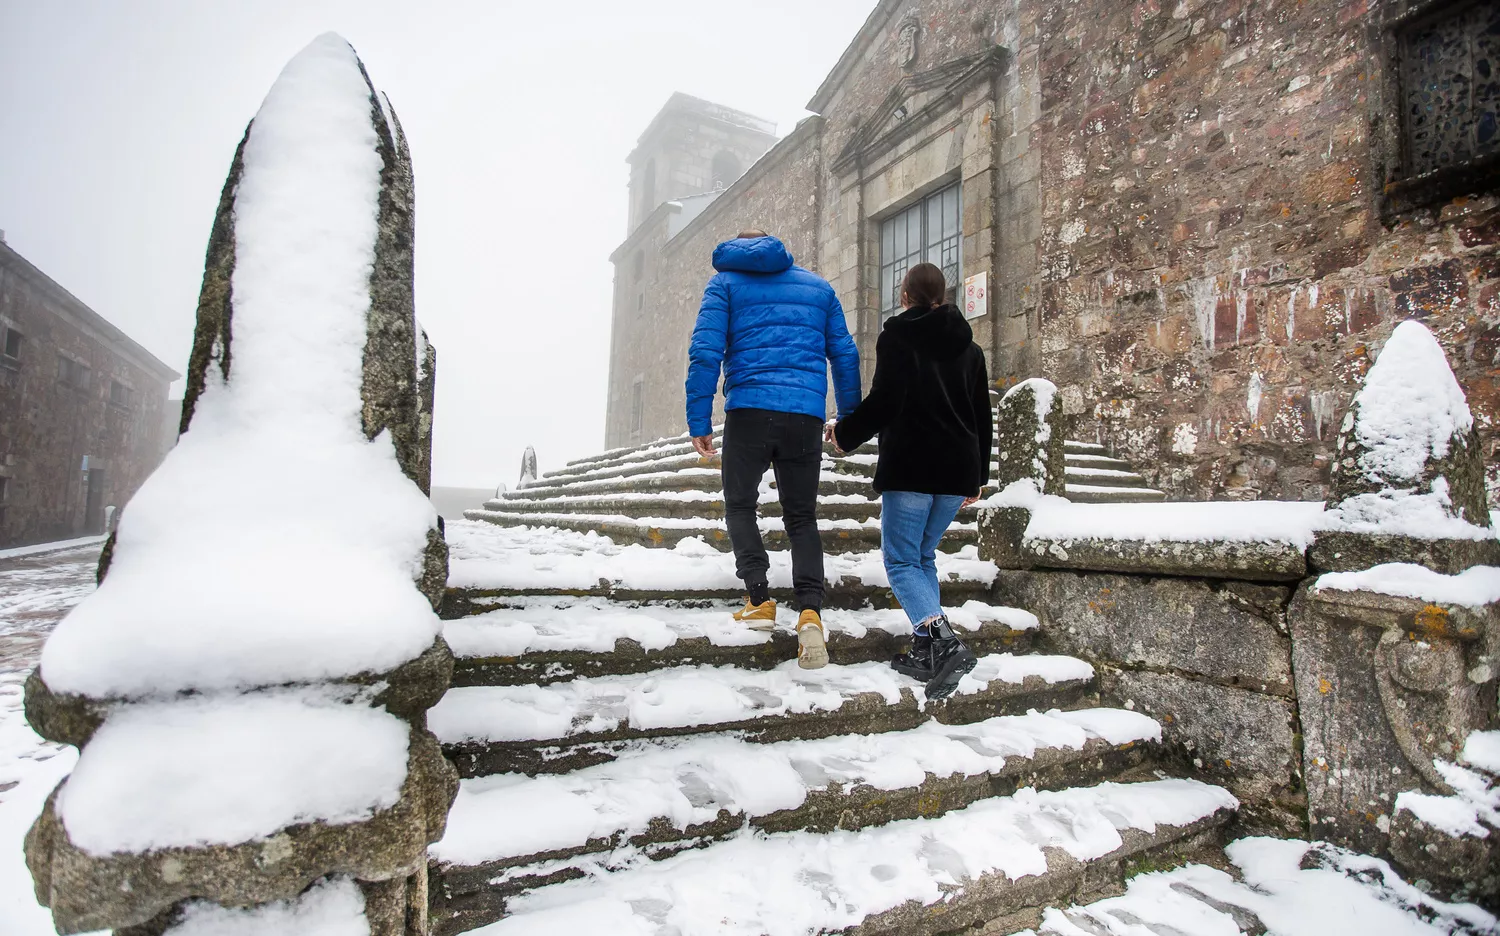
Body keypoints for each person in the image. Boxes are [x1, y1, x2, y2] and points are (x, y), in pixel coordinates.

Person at [686, 230, 861, 669]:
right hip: (804, 415)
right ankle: (810, 612)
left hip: (748, 413)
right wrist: (850, 418)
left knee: (740, 504)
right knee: (801, 516)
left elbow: (705, 352)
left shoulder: (724, 284)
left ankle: (760, 600)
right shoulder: (818, 288)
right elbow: (844, 353)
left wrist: (699, 420)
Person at [830, 262, 993, 699]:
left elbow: (887, 399)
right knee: (922, 557)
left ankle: (943, 640)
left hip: (913, 465)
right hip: (956, 468)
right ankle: (925, 651)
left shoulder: (898, 336)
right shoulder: (971, 349)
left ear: (905, 295)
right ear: (943, 294)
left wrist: (844, 434)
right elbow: (982, 415)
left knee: (901, 560)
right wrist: (978, 476)